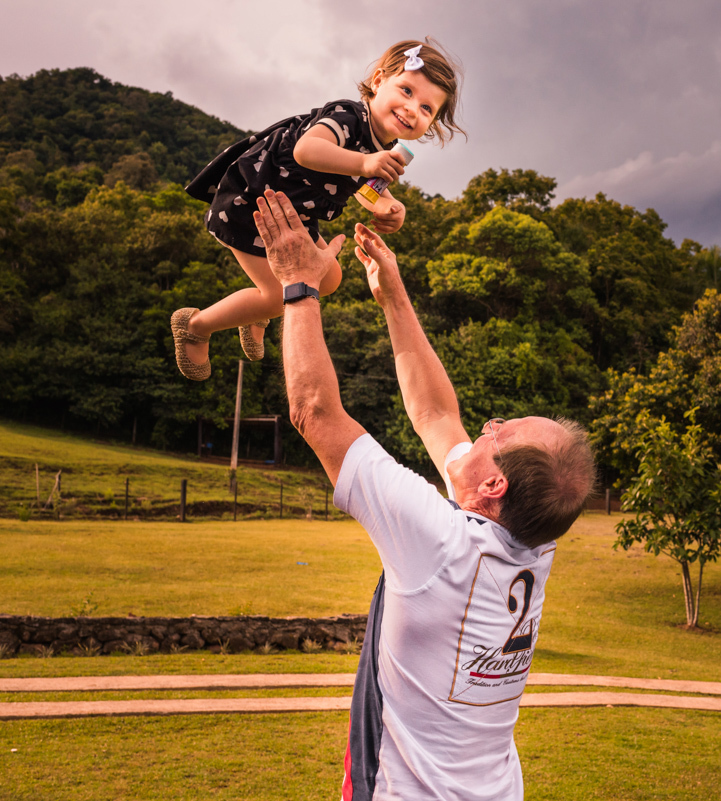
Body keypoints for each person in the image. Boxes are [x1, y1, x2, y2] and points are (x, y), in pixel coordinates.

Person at [251, 188, 596, 801]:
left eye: (500, 434)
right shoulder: (535, 539)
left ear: (494, 487)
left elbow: (313, 413)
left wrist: (298, 286)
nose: (486, 428)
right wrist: (394, 297)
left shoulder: (441, 545)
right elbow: (437, 415)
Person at [170, 38, 464, 380]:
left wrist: (389, 205)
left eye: (428, 108)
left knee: (329, 279)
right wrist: (366, 162)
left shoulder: (384, 148)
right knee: (281, 294)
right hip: (253, 203)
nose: (413, 109)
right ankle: (194, 325)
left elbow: (364, 191)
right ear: (380, 80)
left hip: (294, 216)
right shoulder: (347, 116)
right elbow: (306, 151)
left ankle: (253, 313)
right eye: (407, 91)